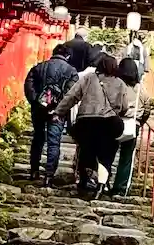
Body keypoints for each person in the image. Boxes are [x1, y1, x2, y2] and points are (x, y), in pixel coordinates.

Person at [54, 53, 129, 196]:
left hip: (86, 121)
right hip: (109, 123)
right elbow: (125, 107)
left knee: (86, 150)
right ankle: (101, 185)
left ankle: (85, 180)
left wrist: (59, 112)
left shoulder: (89, 78)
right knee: (106, 155)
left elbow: (72, 96)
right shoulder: (120, 83)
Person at [23, 44, 78, 185]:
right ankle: (49, 175)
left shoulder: (39, 67)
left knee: (38, 137)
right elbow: (72, 93)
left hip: (39, 108)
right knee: (54, 141)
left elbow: (28, 85)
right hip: (58, 112)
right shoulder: (71, 71)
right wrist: (60, 108)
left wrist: (36, 101)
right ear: (67, 56)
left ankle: (34, 170)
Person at [111, 56, 151, 197]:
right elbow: (147, 108)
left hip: (114, 122)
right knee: (126, 157)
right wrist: (140, 121)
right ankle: (120, 187)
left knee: (108, 153)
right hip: (133, 124)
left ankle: (102, 182)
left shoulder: (116, 84)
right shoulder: (141, 89)